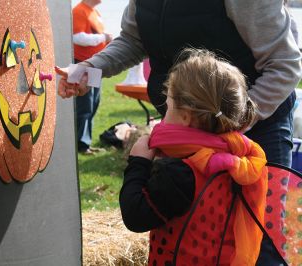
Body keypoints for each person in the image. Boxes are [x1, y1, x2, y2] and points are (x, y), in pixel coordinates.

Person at [55, 2, 301, 263]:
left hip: (255, 128)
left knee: (259, 242)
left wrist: (228, 125)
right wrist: (89, 69)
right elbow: (132, 40)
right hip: (188, 130)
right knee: (189, 237)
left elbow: (284, 65)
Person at [120, 48, 268, 265]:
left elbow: (135, 216)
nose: (163, 117)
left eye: (168, 107)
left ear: (186, 116)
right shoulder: (238, 156)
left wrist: (139, 163)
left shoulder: (180, 173)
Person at [71, 0, 112, 154]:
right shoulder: (79, 10)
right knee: (84, 105)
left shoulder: (95, 13)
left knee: (93, 104)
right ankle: (80, 145)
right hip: (81, 63)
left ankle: (84, 143)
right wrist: (104, 38)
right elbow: (78, 38)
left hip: (93, 65)